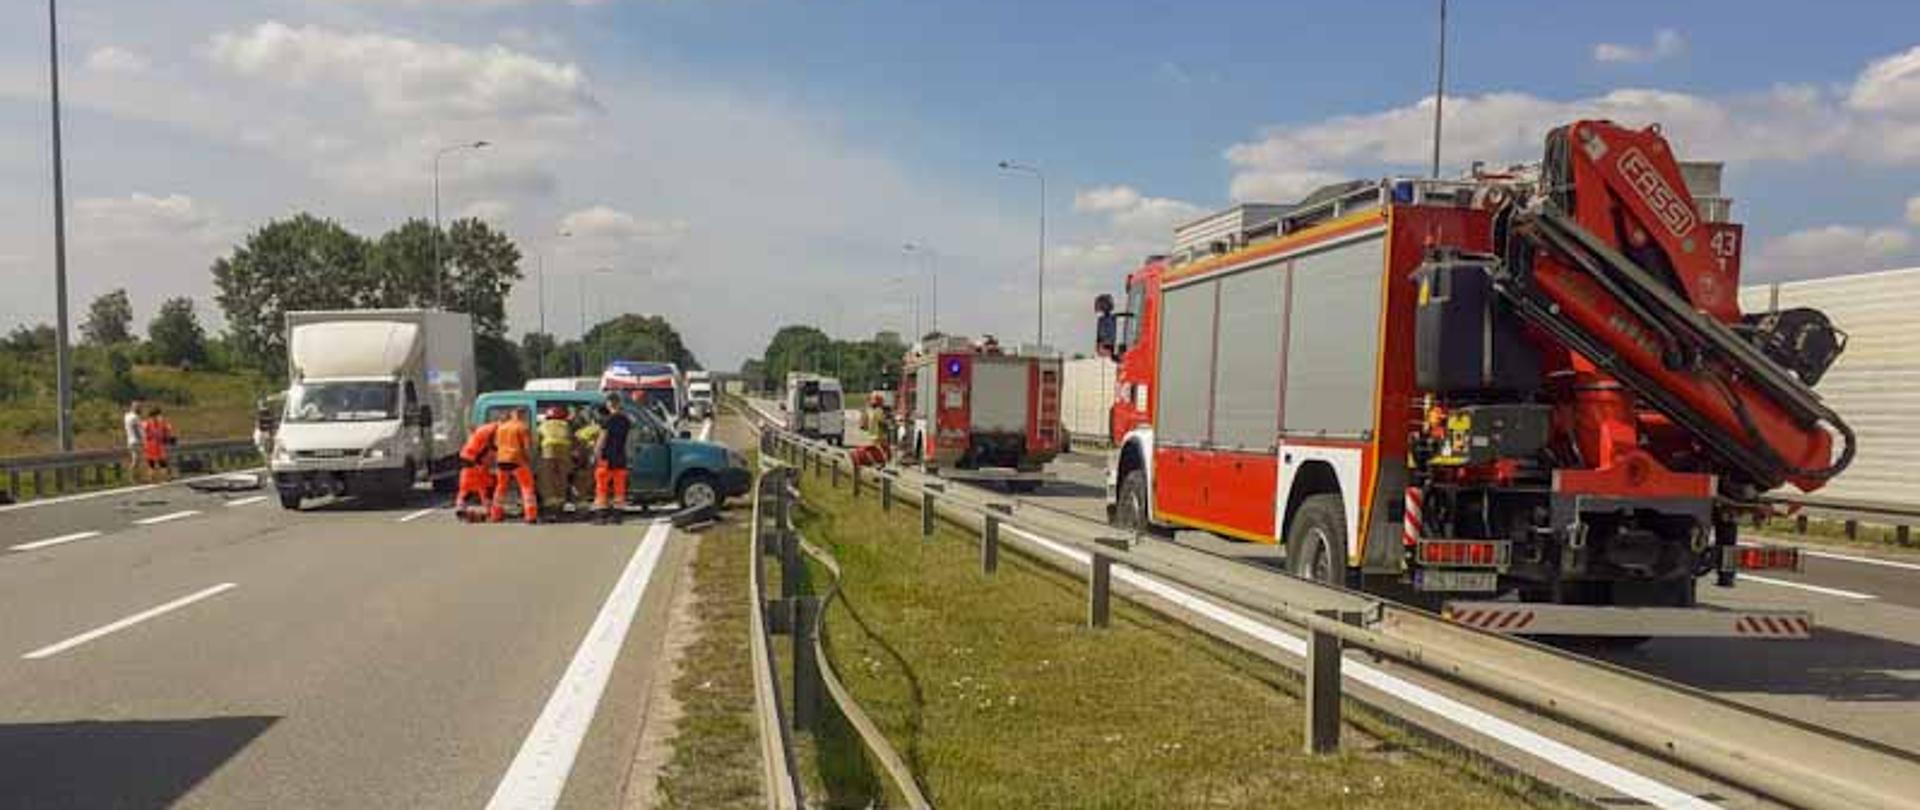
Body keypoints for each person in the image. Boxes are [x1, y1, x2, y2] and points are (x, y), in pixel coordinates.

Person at [491, 408, 538, 524]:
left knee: (500, 487)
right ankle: (530, 516)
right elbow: (526, 447)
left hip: (502, 460)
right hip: (517, 460)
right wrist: (529, 460)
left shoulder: (501, 427)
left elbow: (496, 444)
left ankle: (495, 515)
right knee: (527, 487)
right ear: (523, 415)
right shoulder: (522, 427)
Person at [592, 396, 634, 525]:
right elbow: (629, 441)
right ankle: (617, 516)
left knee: (602, 488)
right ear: (619, 404)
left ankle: (601, 516)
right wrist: (629, 456)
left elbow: (602, 440)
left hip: (606, 458)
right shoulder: (626, 421)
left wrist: (595, 454)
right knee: (619, 489)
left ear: (609, 404)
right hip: (620, 458)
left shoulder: (607, 421)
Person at [455, 415, 501, 518]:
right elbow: (492, 446)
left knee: (470, 486)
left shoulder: (486, 429)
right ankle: (489, 509)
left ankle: (461, 506)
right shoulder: (495, 430)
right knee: (485, 485)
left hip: (470, 458)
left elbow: (489, 447)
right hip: (474, 460)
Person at [535, 406, 575, 517]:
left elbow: (537, 441)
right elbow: (572, 440)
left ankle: (549, 505)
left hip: (548, 451)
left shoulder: (543, 425)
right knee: (562, 478)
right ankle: (560, 504)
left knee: (547, 478)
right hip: (564, 451)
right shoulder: (566, 425)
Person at [141, 406, 176, 483]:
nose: (160, 416)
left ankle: (152, 479)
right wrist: (169, 437)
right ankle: (166, 478)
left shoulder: (145, 423)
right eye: (159, 414)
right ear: (156, 414)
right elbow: (167, 432)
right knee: (162, 463)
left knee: (151, 464)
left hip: (148, 446)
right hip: (157, 446)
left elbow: (144, 434)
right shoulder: (160, 423)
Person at [124, 399, 146, 484]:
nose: (141, 409)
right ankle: (133, 478)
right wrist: (142, 440)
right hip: (136, 441)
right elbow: (136, 429)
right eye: (139, 407)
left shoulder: (127, 416)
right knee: (136, 460)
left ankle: (137, 478)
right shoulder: (135, 417)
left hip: (130, 440)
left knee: (137, 460)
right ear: (135, 408)